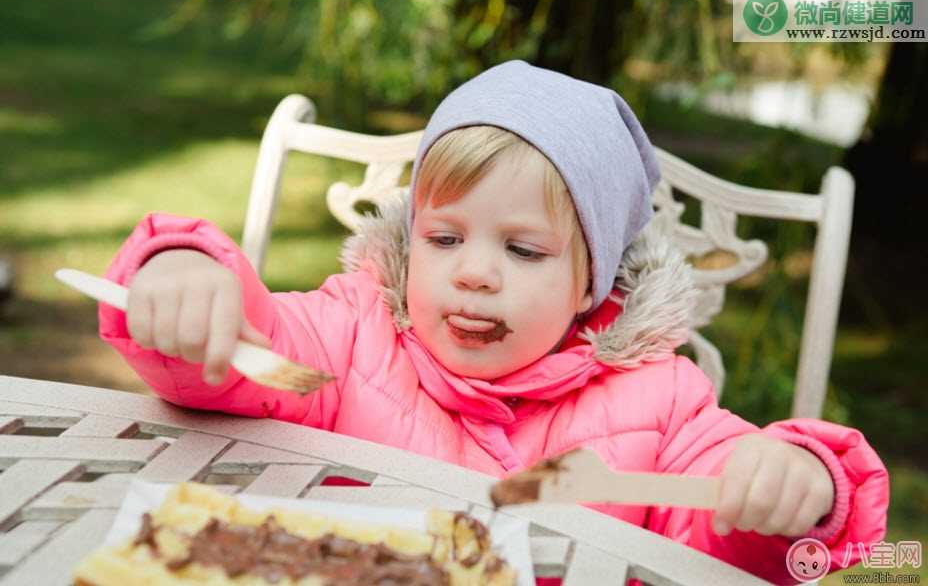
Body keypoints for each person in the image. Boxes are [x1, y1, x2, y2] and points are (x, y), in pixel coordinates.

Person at [99, 60, 888, 583]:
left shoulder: (664, 403)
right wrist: (183, 275)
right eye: (443, 239)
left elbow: (730, 540)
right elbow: (241, 359)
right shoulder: (352, 334)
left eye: (522, 248)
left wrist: (804, 491)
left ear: (590, 282)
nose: (474, 271)